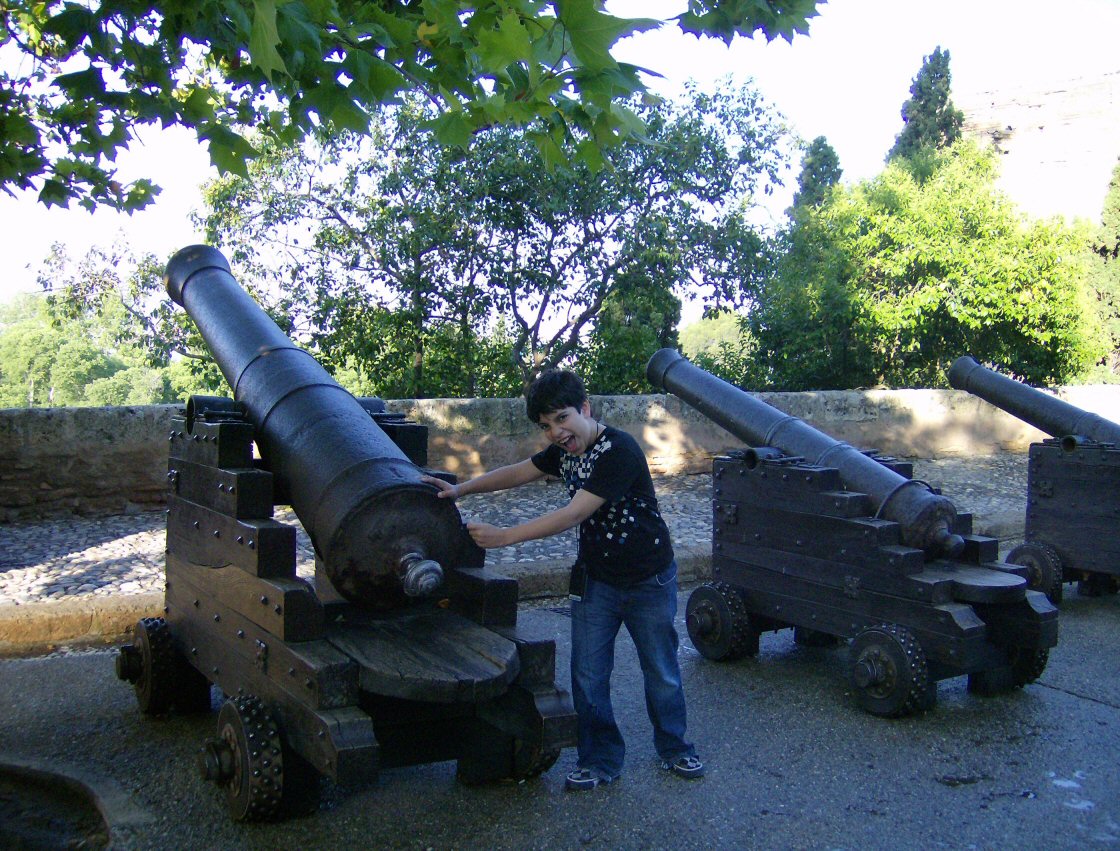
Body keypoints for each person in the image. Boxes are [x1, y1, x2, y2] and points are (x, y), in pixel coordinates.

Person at [421, 370, 703, 791]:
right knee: (588, 675)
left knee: (661, 670)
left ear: (585, 409)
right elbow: (519, 471)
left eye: (562, 418)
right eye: (545, 425)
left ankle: (675, 747)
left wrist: (506, 536)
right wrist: (461, 490)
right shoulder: (564, 452)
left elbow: (574, 513)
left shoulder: (618, 450)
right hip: (596, 579)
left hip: (649, 579)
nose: (555, 432)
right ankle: (599, 760)